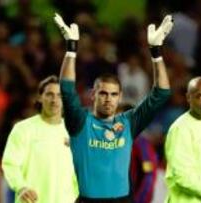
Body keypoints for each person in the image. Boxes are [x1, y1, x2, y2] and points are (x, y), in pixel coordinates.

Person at [54, 13, 173, 202]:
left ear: (120, 98)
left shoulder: (128, 122)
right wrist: (71, 50)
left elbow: (162, 93)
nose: (108, 99)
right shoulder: (80, 121)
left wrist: (156, 52)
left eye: (113, 94)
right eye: (102, 93)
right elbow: (67, 89)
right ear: (93, 95)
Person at [2, 75, 79, 203]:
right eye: (49, 94)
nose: (54, 100)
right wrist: (21, 187)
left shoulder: (74, 132)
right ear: (40, 97)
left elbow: (79, 173)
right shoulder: (23, 129)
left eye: (59, 95)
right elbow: (10, 164)